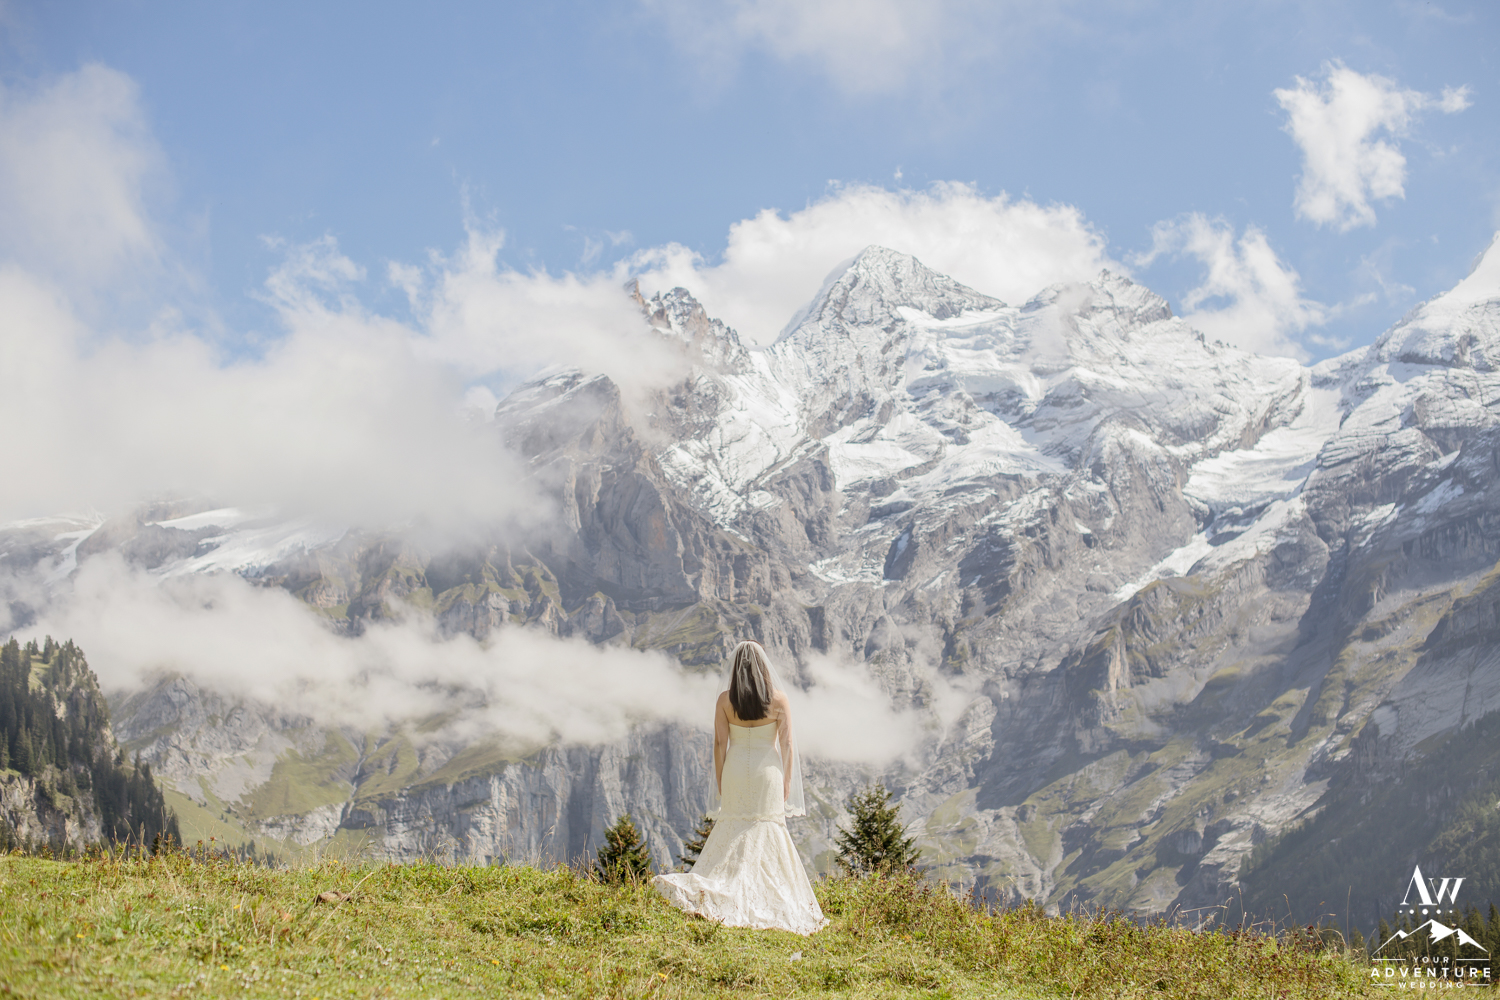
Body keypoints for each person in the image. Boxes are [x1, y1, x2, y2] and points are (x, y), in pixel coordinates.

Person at [652, 640, 827, 935]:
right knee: (768, 827)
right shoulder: (779, 700)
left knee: (733, 825)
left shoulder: (725, 700)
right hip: (767, 771)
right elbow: (786, 744)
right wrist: (785, 782)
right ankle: (767, 893)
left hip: (735, 769)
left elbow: (720, 743)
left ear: (735, 668)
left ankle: (727, 884)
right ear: (764, 668)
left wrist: (720, 778)